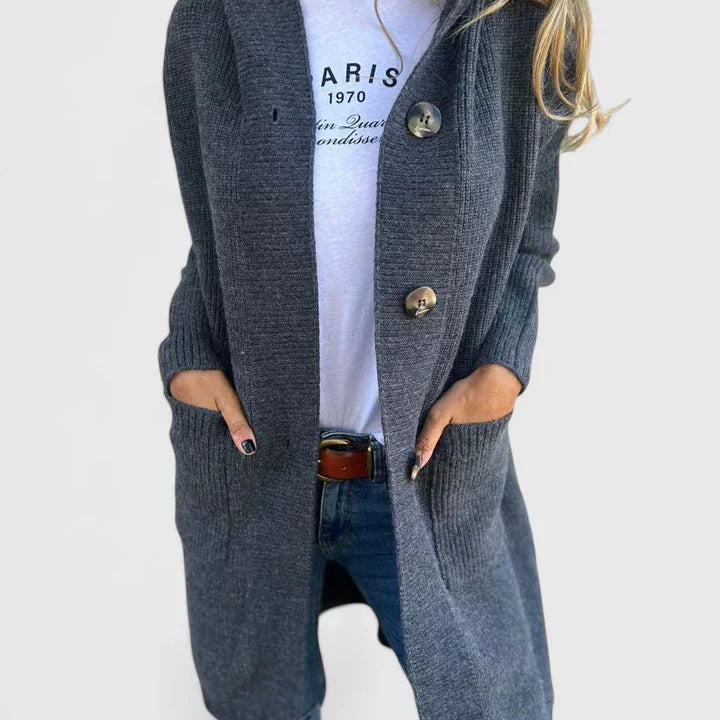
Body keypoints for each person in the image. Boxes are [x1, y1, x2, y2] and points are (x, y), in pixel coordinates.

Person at [158, 0, 613, 718]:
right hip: (252, 468)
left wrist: (503, 367)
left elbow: (526, 237)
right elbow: (209, 229)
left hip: (432, 475)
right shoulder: (219, 16)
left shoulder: (518, 20)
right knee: (256, 705)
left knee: (499, 703)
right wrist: (188, 355)